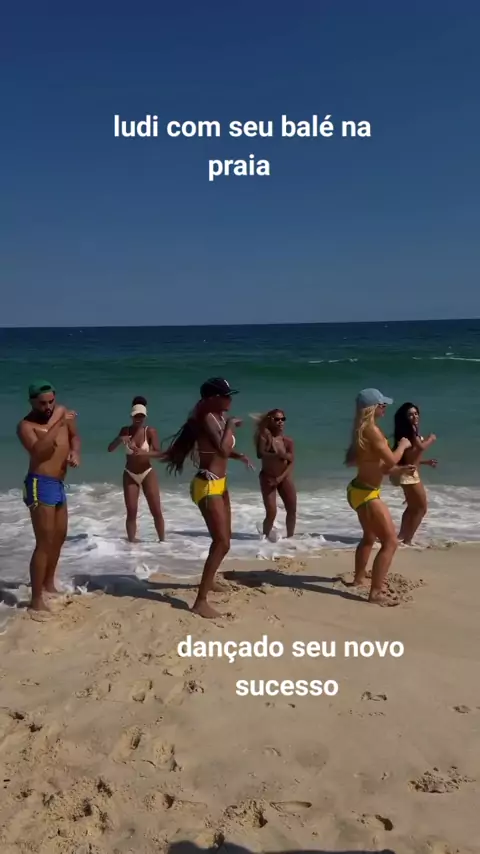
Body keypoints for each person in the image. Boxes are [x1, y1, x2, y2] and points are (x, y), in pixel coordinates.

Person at [161, 377, 254, 619]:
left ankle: (209, 581)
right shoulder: (208, 418)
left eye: (230, 394)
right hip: (207, 485)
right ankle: (200, 601)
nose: (229, 399)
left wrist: (238, 455)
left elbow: (221, 450)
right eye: (225, 395)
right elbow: (221, 448)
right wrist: (231, 425)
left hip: (220, 484)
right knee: (221, 542)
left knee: (225, 540)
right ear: (212, 398)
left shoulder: (218, 417)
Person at [344, 388, 416, 605]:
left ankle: (359, 578)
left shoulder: (360, 429)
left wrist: (398, 470)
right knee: (391, 542)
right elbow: (391, 460)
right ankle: (375, 593)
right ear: (372, 408)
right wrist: (402, 445)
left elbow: (377, 465)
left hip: (358, 489)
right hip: (367, 494)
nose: (385, 407)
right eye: (381, 404)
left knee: (369, 537)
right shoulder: (372, 431)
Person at [16, 380, 81, 618]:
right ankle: (36, 600)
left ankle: (48, 584)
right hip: (39, 484)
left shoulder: (61, 414)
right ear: (32, 402)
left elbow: (75, 437)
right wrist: (59, 422)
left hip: (58, 484)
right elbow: (39, 451)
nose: (48, 407)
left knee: (59, 537)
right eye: (42, 403)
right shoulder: (25, 426)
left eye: (51, 401)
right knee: (44, 542)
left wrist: (74, 452)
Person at [107, 396, 165, 543]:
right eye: (136, 416)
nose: (138, 419)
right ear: (131, 416)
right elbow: (110, 449)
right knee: (131, 511)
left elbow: (159, 453)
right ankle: (131, 545)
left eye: (141, 416)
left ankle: (163, 542)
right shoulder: (125, 430)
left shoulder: (150, 431)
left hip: (147, 473)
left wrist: (143, 453)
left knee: (156, 510)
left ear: (145, 416)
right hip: (130, 474)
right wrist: (119, 439)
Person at [390, 402, 437, 545]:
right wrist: (431, 439)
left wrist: (425, 462)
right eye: (410, 414)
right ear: (405, 417)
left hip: (406, 472)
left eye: (416, 413)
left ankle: (401, 536)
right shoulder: (410, 431)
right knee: (421, 508)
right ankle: (408, 540)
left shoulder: (407, 431)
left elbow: (410, 457)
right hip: (409, 475)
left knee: (412, 507)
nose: (414, 416)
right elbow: (421, 447)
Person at [254, 409, 296, 539]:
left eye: (283, 419)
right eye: (277, 419)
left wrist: (280, 478)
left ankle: (290, 538)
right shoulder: (265, 437)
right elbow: (260, 454)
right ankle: (264, 538)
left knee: (292, 509)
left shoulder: (287, 441)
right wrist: (279, 455)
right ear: (270, 420)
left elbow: (291, 463)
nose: (280, 422)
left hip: (283, 477)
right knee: (271, 512)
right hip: (268, 477)